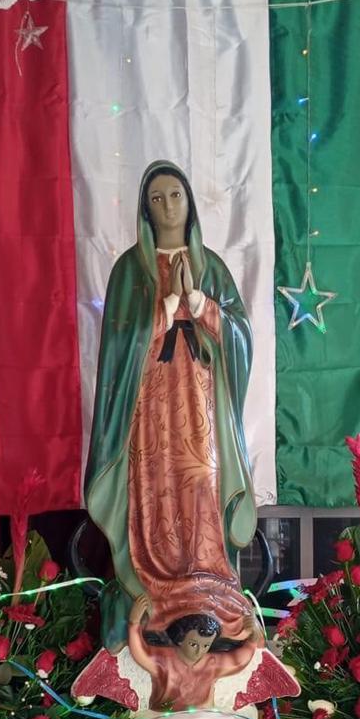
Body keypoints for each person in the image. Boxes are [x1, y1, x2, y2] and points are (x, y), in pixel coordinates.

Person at [84, 161, 257, 653]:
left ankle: (207, 584)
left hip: (200, 410)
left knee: (201, 484)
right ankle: (152, 587)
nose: (167, 206)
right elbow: (117, 350)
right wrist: (162, 310)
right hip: (149, 411)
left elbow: (242, 339)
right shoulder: (129, 270)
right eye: (156, 198)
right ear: (144, 208)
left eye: (175, 195)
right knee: (155, 487)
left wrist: (200, 303)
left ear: (190, 202)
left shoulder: (214, 268)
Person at [127, 594, 263, 713]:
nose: (199, 651)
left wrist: (253, 637)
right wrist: (134, 623)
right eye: (193, 644)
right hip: (163, 717)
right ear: (180, 640)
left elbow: (238, 661)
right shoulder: (165, 660)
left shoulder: (212, 663)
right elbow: (141, 654)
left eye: (206, 645)